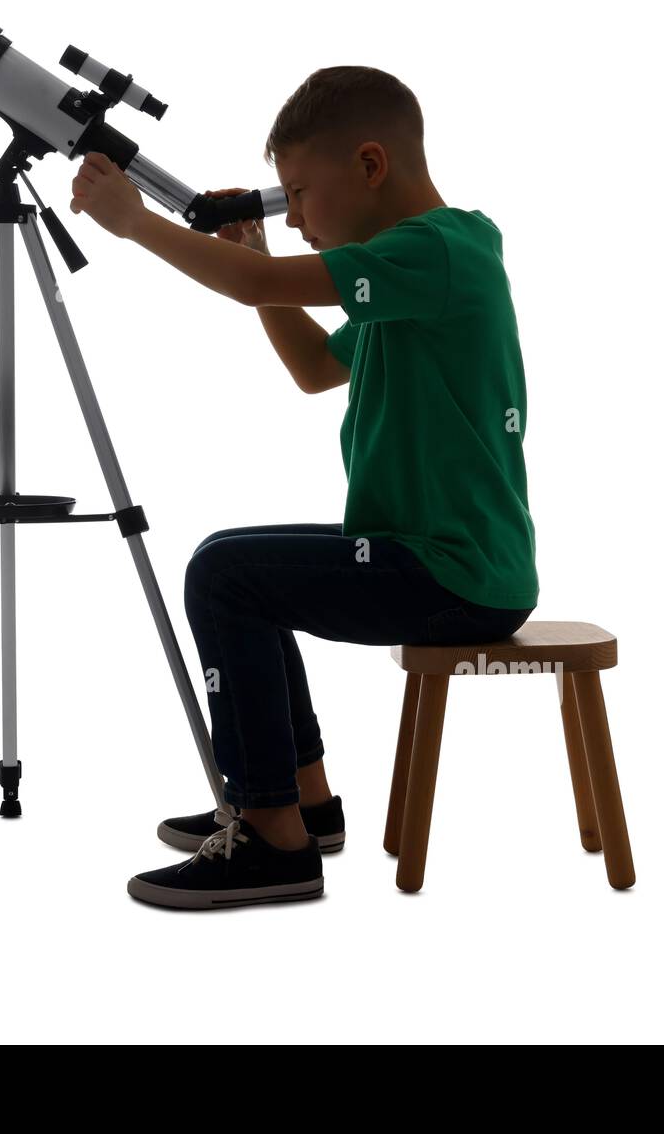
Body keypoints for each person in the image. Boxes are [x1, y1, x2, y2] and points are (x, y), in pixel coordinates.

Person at [69, 65, 538, 910]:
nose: (299, 218)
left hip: (447, 574)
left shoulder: (430, 253)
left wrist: (136, 224)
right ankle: (300, 804)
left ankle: (273, 839)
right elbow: (316, 368)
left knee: (226, 575)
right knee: (242, 566)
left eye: (299, 194)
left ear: (369, 165)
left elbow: (256, 287)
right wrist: (256, 248)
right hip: (445, 561)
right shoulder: (421, 268)